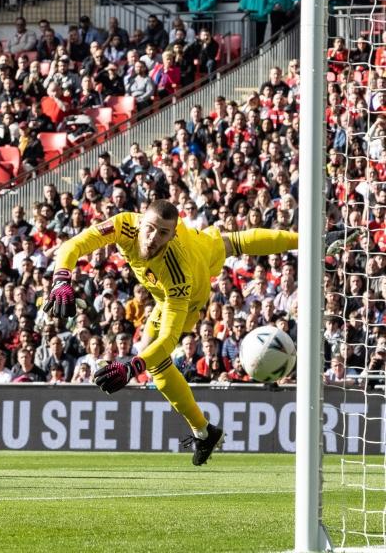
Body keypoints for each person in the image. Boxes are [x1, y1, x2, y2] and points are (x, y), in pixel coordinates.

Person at [44, 199, 298, 466]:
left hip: (191, 290)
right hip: (198, 242)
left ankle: (204, 431)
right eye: (151, 229)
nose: (153, 238)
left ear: (172, 234)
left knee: (154, 359)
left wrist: (133, 367)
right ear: (141, 221)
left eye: (163, 233)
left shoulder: (178, 274)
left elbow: (168, 339)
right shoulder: (123, 224)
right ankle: (312, 240)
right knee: (229, 242)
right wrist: (61, 280)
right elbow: (73, 245)